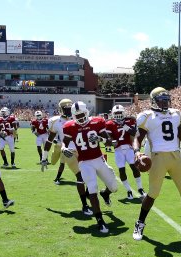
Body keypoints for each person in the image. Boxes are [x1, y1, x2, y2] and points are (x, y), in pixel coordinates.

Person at [132, 87, 181, 245]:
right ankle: (139, 224)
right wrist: (137, 152)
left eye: (167, 99)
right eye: (162, 99)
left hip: (176, 155)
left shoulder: (175, 114)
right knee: (152, 193)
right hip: (158, 156)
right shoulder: (147, 116)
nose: (165, 102)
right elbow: (138, 137)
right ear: (154, 100)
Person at [62, 101, 118, 233]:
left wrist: (100, 139)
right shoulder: (69, 126)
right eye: (77, 116)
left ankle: (105, 194)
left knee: (114, 188)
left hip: (99, 159)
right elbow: (64, 142)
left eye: (82, 115)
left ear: (87, 112)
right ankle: (100, 220)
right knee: (92, 188)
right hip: (84, 162)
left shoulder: (98, 122)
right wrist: (64, 148)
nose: (80, 118)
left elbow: (111, 142)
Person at [40, 98, 93, 216]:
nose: (69, 111)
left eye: (70, 108)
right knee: (80, 176)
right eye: (66, 108)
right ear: (60, 109)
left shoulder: (80, 118)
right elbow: (49, 140)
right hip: (68, 150)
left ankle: (88, 195)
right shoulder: (55, 121)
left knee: (89, 174)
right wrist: (44, 157)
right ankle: (85, 205)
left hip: (83, 150)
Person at [105, 104, 146, 200]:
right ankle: (129, 190)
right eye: (116, 113)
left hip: (129, 148)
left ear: (123, 113)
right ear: (113, 114)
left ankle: (140, 189)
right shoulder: (110, 124)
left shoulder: (129, 120)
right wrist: (111, 142)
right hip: (118, 150)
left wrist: (124, 125)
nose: (118, 114)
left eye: (120, 113)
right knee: (122, 170)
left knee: (135, 167)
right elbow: (109, 139)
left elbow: (134, 132)